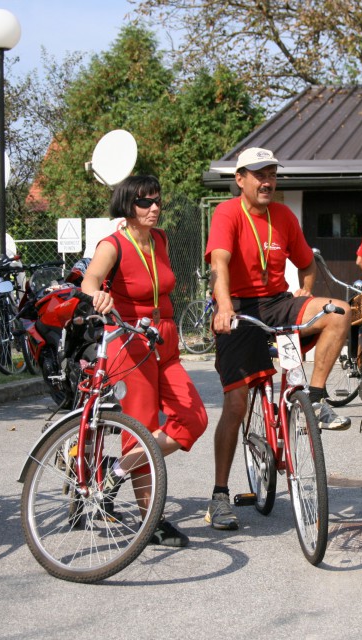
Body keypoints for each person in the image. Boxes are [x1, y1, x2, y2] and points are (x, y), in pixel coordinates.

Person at [203, 147, 352, 531]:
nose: (267, 181)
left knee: (339, 312)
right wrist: (223, 308)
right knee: (236, 404)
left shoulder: (283, 215)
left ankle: (315, 399)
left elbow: (305, 262)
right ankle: (220, 494)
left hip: (277, 301)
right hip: (237, 305)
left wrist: (305, 291)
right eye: (258, 175)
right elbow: (219, 263)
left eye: (271, 173)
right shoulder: (227, 213)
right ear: (241, 180)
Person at [80, 175, 208, 548]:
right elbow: (89, 281)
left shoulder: (161, 240)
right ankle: (150, 520)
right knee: (142, 426)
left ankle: (115, 472)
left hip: (164, 338)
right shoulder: (113, 244)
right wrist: (97, 298)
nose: (154, 208)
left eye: (157, 201)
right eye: (144, 202)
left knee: (194, 417)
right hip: (130, 341)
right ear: (126, 206)